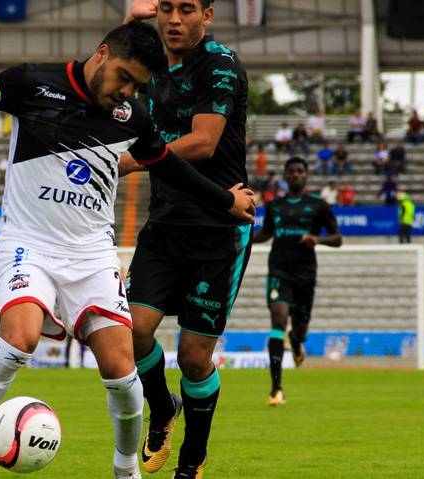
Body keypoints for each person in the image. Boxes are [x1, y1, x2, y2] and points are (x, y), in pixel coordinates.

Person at [0, 20, 254, 479]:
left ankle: (125, 471)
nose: (126, 91)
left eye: (137, 86)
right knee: (19, 340)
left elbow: (171, 167)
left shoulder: (133, 118)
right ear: (101, 54)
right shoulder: (29, 83)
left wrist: (226, 199)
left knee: (122, 372)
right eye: (124, 77)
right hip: (29, 241)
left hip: (91, 253)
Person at [121, 2, 254, 477]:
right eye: (168, 9)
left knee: (194, 359)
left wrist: (134, 160)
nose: (175, 20)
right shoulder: (154, 63)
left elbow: (204, 141)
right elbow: (108, 67)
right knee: (132, 332)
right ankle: (163, 408)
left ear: (207, 15)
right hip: (165, 225)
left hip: (219, 228)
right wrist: (128, 20)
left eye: (186, 9)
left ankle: (191, 461)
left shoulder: (220, 65)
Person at [252, 157, 341, 405]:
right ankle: (276, 389)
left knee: (299, 329)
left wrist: (317, 239)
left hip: (305, 275)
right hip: (279, 271)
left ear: (306, 175)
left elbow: (338, 238)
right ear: (285, 175)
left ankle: (298, 342)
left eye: (300, 171)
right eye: (291, 171)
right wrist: (246, 239)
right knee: (278, 320)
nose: (296, 175)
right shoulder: (274, 206)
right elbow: (267, 233)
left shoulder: (318, 206)